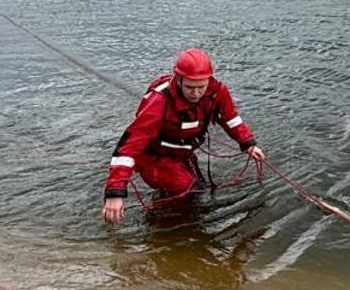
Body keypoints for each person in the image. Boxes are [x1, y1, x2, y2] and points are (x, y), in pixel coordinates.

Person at [101, 48, 265, 225]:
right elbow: (129, 147)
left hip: (181, 153)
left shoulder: (216, 91)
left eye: (201, 87)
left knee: (198, 189)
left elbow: (231, 118)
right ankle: (166, 229)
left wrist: (248, 143)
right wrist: (115, 193)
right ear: (178, 80)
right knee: (186, 191)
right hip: (152, 157)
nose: (196, 93)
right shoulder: (158, 102)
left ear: (209, 80)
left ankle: (175, 225)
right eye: (189, 87)